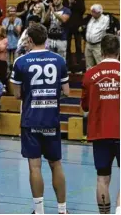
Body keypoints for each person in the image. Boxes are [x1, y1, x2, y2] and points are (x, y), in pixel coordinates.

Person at [10, 23, 70, 214]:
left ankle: (40, 210)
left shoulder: (21, 62)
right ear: (46, 39)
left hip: (31, 119)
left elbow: (17, 94)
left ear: (29, 40)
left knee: (34, 166)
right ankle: (62, 210)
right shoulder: (58, 60)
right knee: (56, 164)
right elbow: (66, 92)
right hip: (51, 119)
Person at [80, 34, 120, 214]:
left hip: (100, 133)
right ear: (118, 51)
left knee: (102, 178)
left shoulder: (90, 75)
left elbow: (85, 106)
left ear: (101, 51)